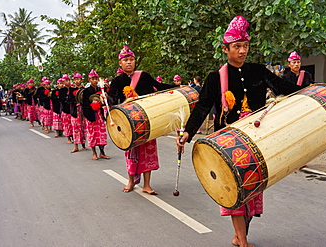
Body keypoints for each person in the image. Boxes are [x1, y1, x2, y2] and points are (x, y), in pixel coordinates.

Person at [176, 16, 302, 247]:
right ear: (226, 49)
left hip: (256, 138)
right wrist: (188, 132)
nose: (242, 51)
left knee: (253, 190)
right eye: (237, 47)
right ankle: (242, 240)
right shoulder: (215, 78)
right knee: (233, 187)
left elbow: (281, 87)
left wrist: (307, 91)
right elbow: (203, 105)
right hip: (228, 141)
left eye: (245, 46)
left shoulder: (258, 71)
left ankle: (240, 232)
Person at [108, 45, 175, 195]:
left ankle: (147, 185)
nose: (129, 62)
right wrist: (103, 98)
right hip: (128, 122)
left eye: (131, 59)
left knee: (148, 152)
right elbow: (112, 98)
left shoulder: (144, 76)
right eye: (126, 60)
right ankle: (131, 181)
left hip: (147, 120)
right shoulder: (117, 81)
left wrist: (176, 88)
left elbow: (159, 87)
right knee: (131, 152)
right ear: (120, 63)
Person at [82, 69, 110, 160]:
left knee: (102, 134)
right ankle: (94, 153)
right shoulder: (86, 91)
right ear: (89, 80)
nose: (95, 80)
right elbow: (85, 104)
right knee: (92, 134)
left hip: (100, 115)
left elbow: (106, 101)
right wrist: (91, 109)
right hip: (91, 115)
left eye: (96, 79)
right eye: (93, 79)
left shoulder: (100, 89)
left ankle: (102, 152)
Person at [69, 72, 88, 153]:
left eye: (78, 79)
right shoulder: (71, 90)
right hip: (75, 111)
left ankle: (83, 145)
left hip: (83, 111)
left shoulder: (85, 90)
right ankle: (76, 146)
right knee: (75, 128)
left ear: (81, 80)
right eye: (75, 79)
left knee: (83, 128)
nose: (77, 81)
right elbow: (69, 100)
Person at [59, 74, 73, 144]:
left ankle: (74, 137)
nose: (68, 82)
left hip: (72, 110)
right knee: (67, 125)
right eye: (66, 81)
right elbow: (61, 100)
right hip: (65, 109)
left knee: (73, 125)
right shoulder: (61, 90)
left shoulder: (72, 89)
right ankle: (68, 138)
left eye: (68, 80)